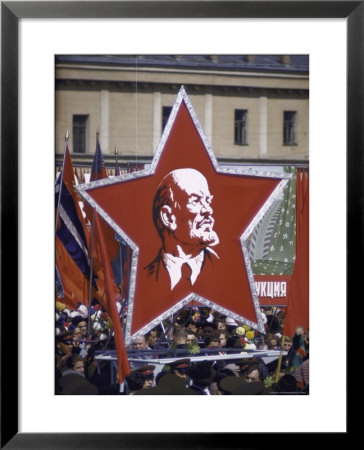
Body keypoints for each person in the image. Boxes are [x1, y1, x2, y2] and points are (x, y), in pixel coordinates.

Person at [144, 168, 220, 290]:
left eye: (208, 201)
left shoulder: (226, 271)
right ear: (168, 217)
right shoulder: (142, 280)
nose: (208, 210)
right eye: (196, 201)